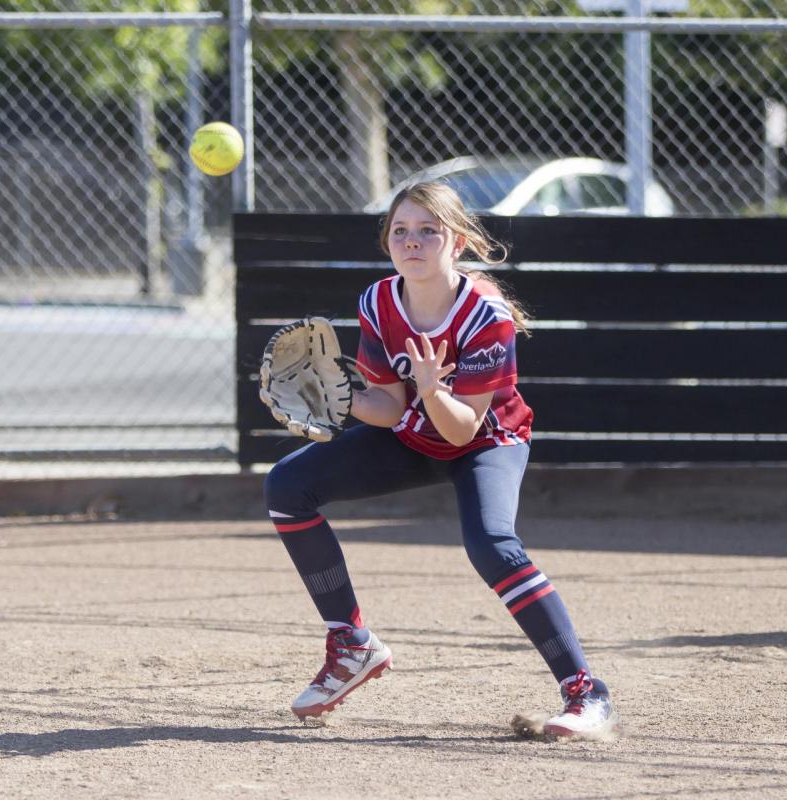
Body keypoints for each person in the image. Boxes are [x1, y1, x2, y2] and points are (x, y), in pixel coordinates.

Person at [263, 181, 615, 739]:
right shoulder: (379, 302)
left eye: (429, 230)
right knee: (287, 486)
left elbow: (463, 426)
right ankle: (352, 646)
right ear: (387, 244)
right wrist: (341, 400)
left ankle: (586, 694)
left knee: (492, 545)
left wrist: (431, 390)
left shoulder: (484, 315)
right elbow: (390, 406)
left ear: (458, 243)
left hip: (486, 442)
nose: (413, 241)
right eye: (401, 231)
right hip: (414, 433)